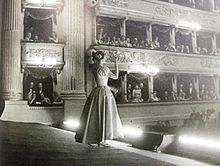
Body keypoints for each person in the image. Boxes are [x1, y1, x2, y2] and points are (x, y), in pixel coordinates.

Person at [75, 50, 124, 146]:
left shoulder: (94, 68)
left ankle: (98, 139)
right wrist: (116, 63)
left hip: (97, 91)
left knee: (96, 114)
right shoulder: (104, 68)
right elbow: (116, 76)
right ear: (103, 58)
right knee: (105, 114)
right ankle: (102, 139)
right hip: (105, 92)